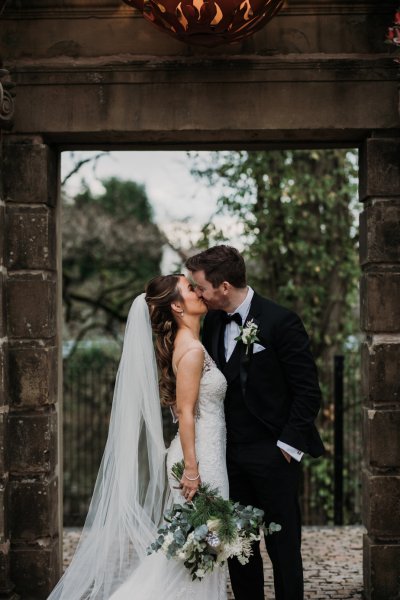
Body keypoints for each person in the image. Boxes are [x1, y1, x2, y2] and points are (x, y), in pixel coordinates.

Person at [48, 274, 229, 600]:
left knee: (199, 553)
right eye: (190, 288)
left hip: (204, 455)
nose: (198, 291)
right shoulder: (191, 351)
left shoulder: (187, 343)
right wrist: (192, 469)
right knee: (202, 553)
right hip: (198, 462)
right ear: (176, 304)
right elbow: (186, 414)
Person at [186, 245, 325, 600]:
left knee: (283, 549)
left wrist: (287, 447)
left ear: (224, 286)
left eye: (200, 286)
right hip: (229, 457)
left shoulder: (281, 321)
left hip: (274, 454)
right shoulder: (213, 322)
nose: (197, 293)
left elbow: (308, 392)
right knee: (239, 548)